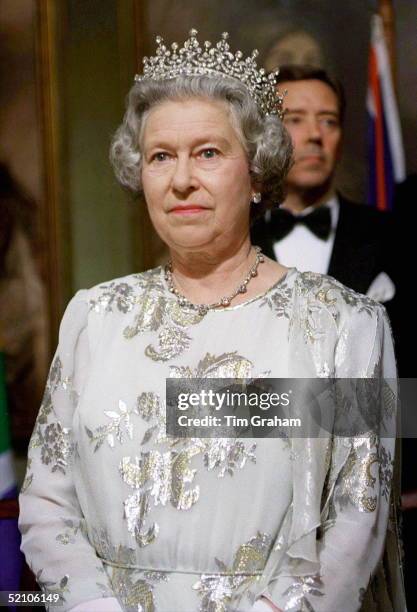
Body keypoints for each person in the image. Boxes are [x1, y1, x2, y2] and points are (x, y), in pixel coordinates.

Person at [19, 31, 405, 612]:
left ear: (255, 174)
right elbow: (47, 505)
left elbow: (359, 515)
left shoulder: (346, 324)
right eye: (160, 156)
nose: (180, 181)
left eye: (207, 153)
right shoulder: (93, 318)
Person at [251, 64, 396, 305]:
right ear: (265, 137)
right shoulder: (234, 236)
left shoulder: (394, 235)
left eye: (328, 121)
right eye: (295, 119)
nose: (315, 134)